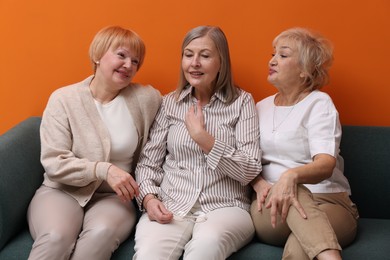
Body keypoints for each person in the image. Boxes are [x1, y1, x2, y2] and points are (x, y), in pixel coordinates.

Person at [27, 26, 161, 260]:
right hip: (62, 191)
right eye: (121, 55)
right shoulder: (63, 99)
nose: (128, 65)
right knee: (56, 237)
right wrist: (103, 169)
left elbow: (182, 103)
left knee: (102, 234)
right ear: (98, 55)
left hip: (114, 197)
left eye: (135, 61)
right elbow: (54, 161)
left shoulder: (146, 99)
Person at [133, 25, 262, 260]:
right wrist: (149, 199)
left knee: (205, 248)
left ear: (221, 62)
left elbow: (250, 169)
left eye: (205, 55)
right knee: (149, 255)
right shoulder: (169, 103)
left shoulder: (242, 102)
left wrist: (206, 140)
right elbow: (147, 165)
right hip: (172, 203)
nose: (194, 63)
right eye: (188, 54)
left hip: (225, 206)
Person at [250, 27, 359, 260]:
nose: (272, 60)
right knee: (291, 189)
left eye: (283, 55)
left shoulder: (319, 103)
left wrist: (291, 176)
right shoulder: (259, 107)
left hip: (329, 202)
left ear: (304, 71)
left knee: (301, 246)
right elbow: (244, 160)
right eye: (272, 54)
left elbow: (325, 164)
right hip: (271, 208)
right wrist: (260, 182)